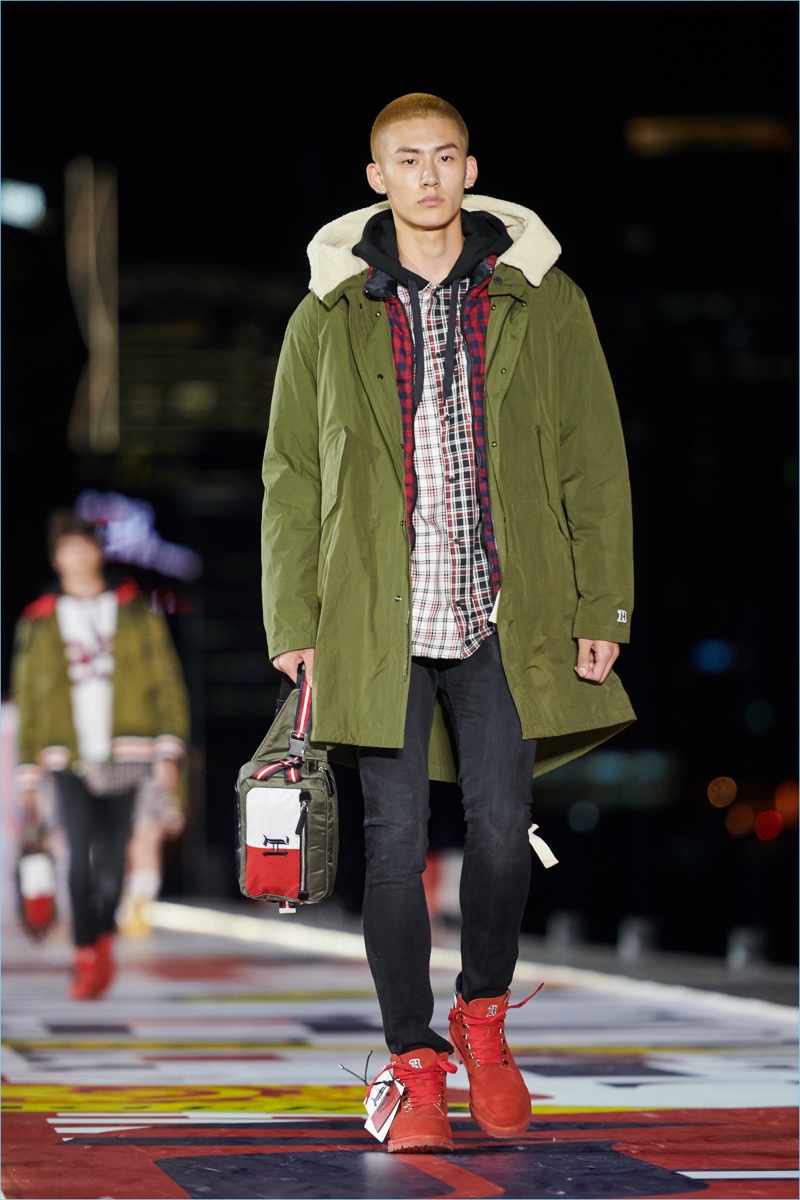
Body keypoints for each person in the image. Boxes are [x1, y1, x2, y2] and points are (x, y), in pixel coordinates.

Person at [261, 93, 635, 1152]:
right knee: (392, 847)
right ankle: (414, 1064)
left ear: (471, 170)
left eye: (444, 157)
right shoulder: (327, 313)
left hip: (502, 610)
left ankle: (482, 1014)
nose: (426, 176)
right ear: (375, 177)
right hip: (372, 617)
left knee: (502, 830)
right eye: (406, 160)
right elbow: (290, 475)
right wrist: (293, 618)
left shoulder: (543, 298)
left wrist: (600, 602)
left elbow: (592, 456)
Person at [11, 510, 189, 998]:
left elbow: (167, 682)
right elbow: (28, 697)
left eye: (84, 546)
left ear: (97, 551)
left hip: (129, 750)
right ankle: (84, 954)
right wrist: (27, 772)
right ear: (56, 557)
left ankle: (102, 940)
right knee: (75, 856)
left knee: (113, 865)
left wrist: (169, 747)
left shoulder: (135, 611)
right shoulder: (40, 620)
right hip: (66, 755)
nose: (77, 557)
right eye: (67, 548)